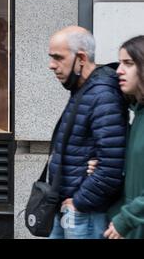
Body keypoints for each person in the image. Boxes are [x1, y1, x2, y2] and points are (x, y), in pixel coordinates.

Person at [47, 26, 128, 239]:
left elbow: (111, 166)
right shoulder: (84, 89)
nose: (51, 65)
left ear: (81, 58)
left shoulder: (103, 94)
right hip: (69, 208)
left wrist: (79, 202)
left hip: (84, 214)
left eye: (58, 57)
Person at [99, 35, 144, 239]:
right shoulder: (137, 115)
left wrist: (125, 219)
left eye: (128, 63)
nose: (119, 70)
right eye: (120, 63)